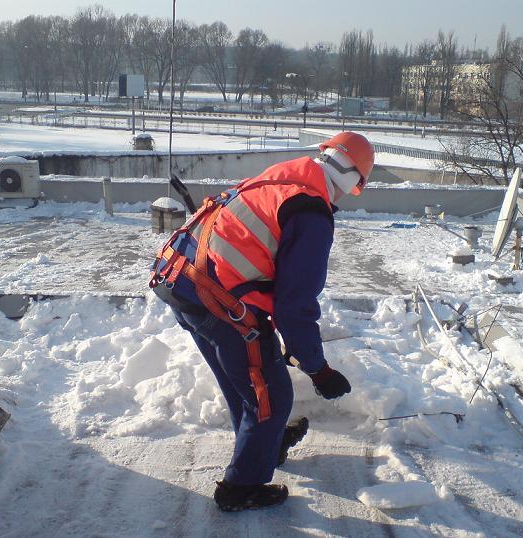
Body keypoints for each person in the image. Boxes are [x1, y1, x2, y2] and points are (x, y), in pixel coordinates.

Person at [149, 131, 375, 511]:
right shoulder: (311, 211)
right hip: (216, 298)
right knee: (271, 394)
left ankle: (263, 445)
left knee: (248, 385)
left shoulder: (285, 176)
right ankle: (241, 488)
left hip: (183, 280)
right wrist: (318, 371)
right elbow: (295, 305)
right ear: (354, 179)